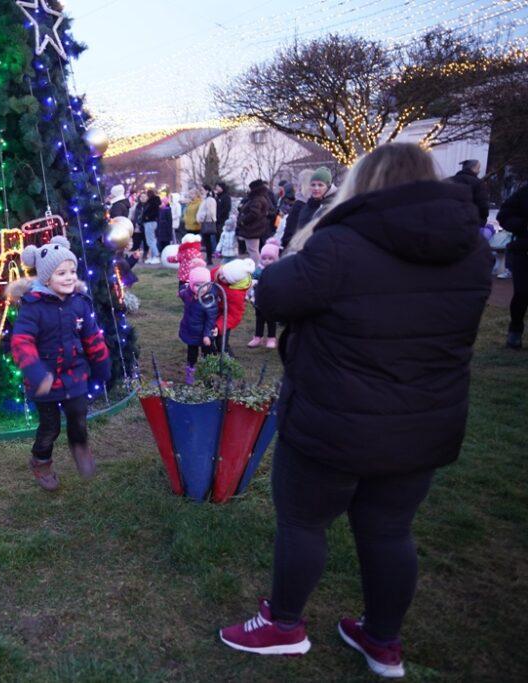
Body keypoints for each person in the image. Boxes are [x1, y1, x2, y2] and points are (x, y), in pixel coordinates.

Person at [219, 143, 492, 678]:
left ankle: (285, 624)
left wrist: (294, 259)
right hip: (421, 423)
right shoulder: (471, 251)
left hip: (333, 419)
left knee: (303, 520)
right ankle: (382, 640)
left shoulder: (340, 245)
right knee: (390, 530)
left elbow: (273, 296)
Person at [9, 236, 111, 492]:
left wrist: (102, 364)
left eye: (72, 271)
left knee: (78, 416)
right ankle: (41, 460)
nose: (69, 277)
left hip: (74, 374)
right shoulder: (32, 307)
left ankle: (80, 447)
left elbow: (92, 336)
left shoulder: (79, 303)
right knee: (50, 426)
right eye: (61, 273)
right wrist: (36, 372)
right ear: (45, 278)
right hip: (44, 380)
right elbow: (22, 342)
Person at [497, 182, 528, 348]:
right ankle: (515, 331)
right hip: (524, 250)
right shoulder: (524, 192)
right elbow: (504, 216)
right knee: (522, 293)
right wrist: (523, 225)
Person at [179, 265, 218, 385]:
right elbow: (182, 292)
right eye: (196, 285)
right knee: (192, 354)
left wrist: (207, 335)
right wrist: (181, 292)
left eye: (203, 285)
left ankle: (208, 374)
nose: (200, 288)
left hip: (204, 334)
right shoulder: (189, 293)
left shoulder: (209, 299)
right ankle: (190, 372)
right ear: (191, 285)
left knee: (208, 354)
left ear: (209, 284)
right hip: (191, 331)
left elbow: (210, 320)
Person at [209, 257, 253, 355]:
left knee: (221, 342)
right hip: (211, 311)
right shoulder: (219, 272)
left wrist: (219, 326)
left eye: (225, 278)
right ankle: (210, 358)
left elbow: (233, 315)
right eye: (222, 273)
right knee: (207, 338)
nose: (221, 277)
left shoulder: (236, 295)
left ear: (233, 282)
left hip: (224, 317)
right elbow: (206, 280)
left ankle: (227, 362)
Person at [282, 168, 335, 249]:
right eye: (313, 185)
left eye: (320, 185)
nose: (316, 188)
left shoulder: (330, 204)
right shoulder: (308, 204)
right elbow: (295, 230)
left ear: (328, 186)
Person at [248, 241, 281, 349]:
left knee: (271, 320)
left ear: (276, 258)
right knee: (259, 319)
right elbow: (252, 281)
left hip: (271, 300)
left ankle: (271, 338)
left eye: (270, 258)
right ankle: (258, 337)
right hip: (259, 300)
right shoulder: (258, 271)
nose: (266, 261)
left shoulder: (278, 271)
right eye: (264, 258)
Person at [238, 181, 273, 263]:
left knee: (253, 250)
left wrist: (243, 221)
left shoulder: (257, 199)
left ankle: (256, 270)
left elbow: (254, 214)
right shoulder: (260, 198)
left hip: (252, 228)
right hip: (255, 227)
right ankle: (256, 268)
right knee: (253, 250)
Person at [448, 159, 490, 224]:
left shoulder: (448, 180)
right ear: (473, 168)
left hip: (449, 221)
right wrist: (482, 220)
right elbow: (483, 206)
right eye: (478, 168)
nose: (479, 171)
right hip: (470, 223)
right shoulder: (478, 183)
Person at [196, 187, 218, 264]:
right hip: (205, 222)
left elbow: (210, 212)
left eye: (202, 190)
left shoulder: (209, 200)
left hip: (207, 222)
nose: (201, 191)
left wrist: (202, 217)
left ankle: (209, 259)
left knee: (208, 241)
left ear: (207, 190)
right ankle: (208, 258)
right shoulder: (206, 199)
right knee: (206, 241)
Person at [141, 190, 162, 263]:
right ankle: (153, 256)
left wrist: (146, 217)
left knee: (150, 240)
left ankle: (156, 255)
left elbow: (153, 213)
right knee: (152, 240)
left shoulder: (152, 203)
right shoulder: (152, 202)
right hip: (151, 222)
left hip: (150, 222)